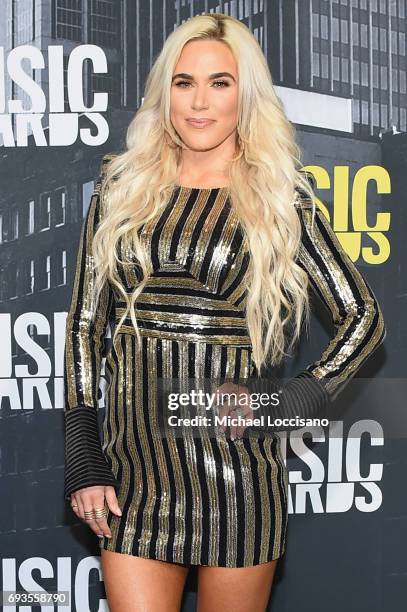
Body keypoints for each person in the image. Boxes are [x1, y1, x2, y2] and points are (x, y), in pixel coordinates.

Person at [63, 13, 386, 612]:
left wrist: (283, 403)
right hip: (133, 472)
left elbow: (363, 318)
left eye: (220, 83)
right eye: (184, 83)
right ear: (166, 93)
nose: (199, 103)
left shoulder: (277, 198)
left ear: (246, 95)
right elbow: (85, 325)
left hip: (237, 475)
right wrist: (85, 458)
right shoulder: (120, 188)